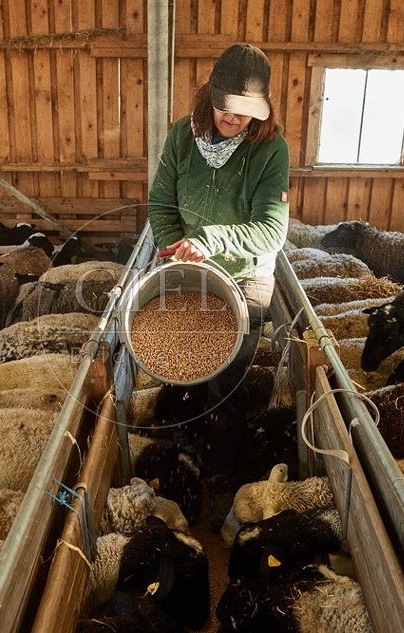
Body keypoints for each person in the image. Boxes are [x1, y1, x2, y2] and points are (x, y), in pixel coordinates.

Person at [147, 43, 290, 432]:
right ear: (209, 94)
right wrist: (175, 252)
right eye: (226, 105)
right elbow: (161, 203)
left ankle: (223, 466)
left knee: (225, 377)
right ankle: (180, 449)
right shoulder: (182, 135)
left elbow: (272, 230)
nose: (234, 117)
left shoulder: (271, 150)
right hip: (191, 270)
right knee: (180, 363)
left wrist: (211, 240)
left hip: (244, 277)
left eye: (246, 109)